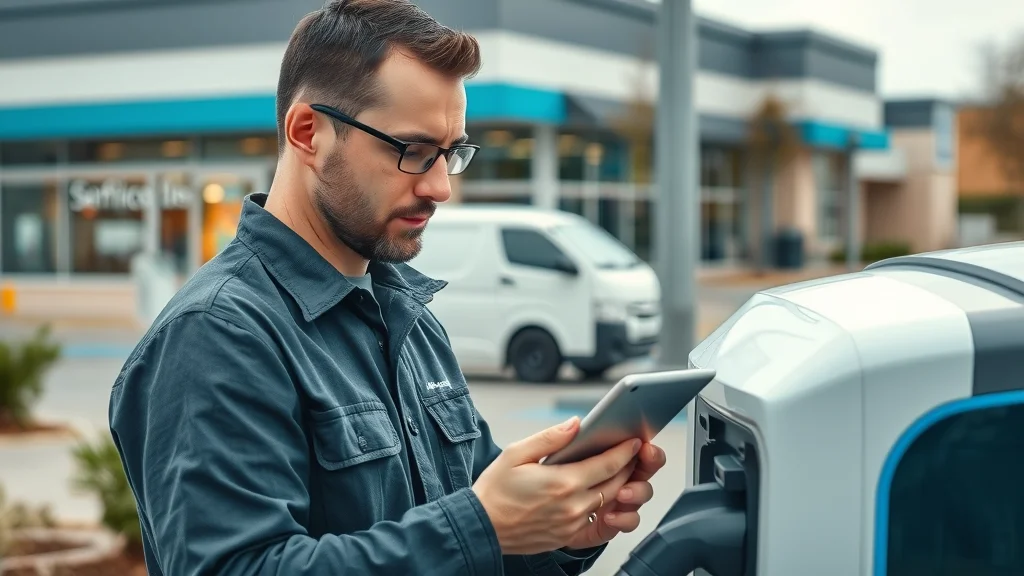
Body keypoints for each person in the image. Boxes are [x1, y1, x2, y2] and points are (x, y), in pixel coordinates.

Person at [108, 1, 666, 574]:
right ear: (308, 133)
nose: (441, 187)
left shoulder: (408, 316)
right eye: (414, 152)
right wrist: (481, 525)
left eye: (451, 154)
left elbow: (484, 548)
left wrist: (564, 528)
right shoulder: (217, 334)